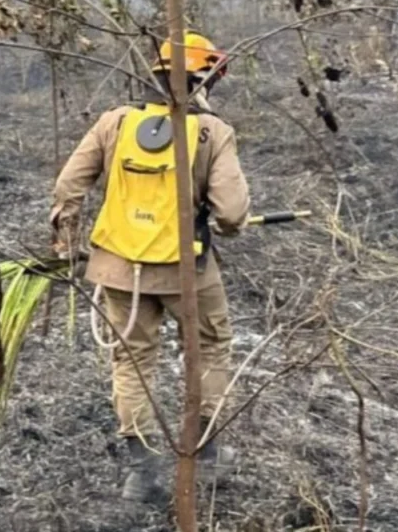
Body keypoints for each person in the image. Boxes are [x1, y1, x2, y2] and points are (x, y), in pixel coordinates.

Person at [48, 31, 251, 502]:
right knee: (211, 348)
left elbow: (68, 187)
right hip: (188, 272)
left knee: (132, 361)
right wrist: (226, 227)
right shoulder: (212, 132)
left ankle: (141, 472)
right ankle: (206, 454)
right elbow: (233, 212)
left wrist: (67, 240)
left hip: (118, 271)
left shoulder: (114, 122)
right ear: (202, 79)